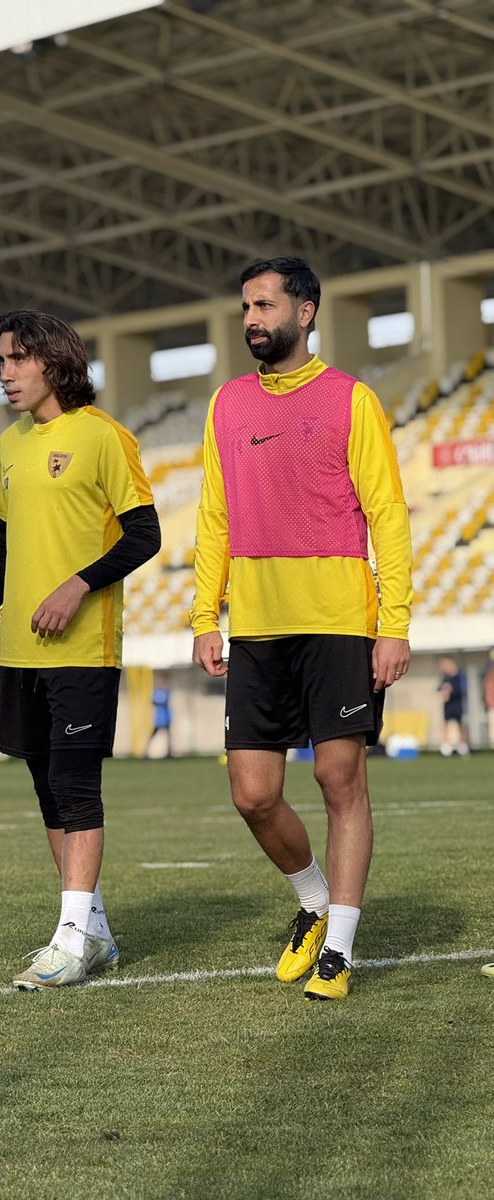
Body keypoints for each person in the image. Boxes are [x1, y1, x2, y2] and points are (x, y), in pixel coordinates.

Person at [191, 256, 412, 1002]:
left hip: (338, 622)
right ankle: (313, 901)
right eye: (244, 308)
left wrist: (394, 624)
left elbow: (387, 514)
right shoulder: (226, 406)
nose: (251, 319)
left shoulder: (353, 400)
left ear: (305, 312)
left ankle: (340, 951)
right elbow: (214, 519)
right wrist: (204, 616)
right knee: (252, 793)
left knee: (337, 778)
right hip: (255, 625)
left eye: (263, 305)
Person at [0, 309, 161, 990]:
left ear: (52, 361)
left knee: (75, 786)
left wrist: (78, 585)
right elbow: (8, 549)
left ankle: (68, 940)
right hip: (21, 654)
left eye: (15, 360)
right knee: (46, 791)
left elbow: (144, 535)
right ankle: (91, 931)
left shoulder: (103, 437)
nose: (5, 374)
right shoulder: (10, 445)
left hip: (83, 649)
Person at [438, 654, 470, 756]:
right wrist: (443, 690)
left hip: (458, 704)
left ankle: (463, 746)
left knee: (460, 724)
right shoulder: (445, 678)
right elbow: (439, 688)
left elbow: (463, 689)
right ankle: (446, 747)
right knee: (446, 724)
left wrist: (451, 691)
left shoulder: (460, 676)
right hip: (448, 705)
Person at [147, 672, 173, 758]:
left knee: (168, 737)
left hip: (165, 718)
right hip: (159, 719)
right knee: (152, 735)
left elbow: (163, 701)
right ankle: (145, 753)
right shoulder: (156, 691)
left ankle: (169, 754)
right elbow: (153, 701)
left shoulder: (166, 691)